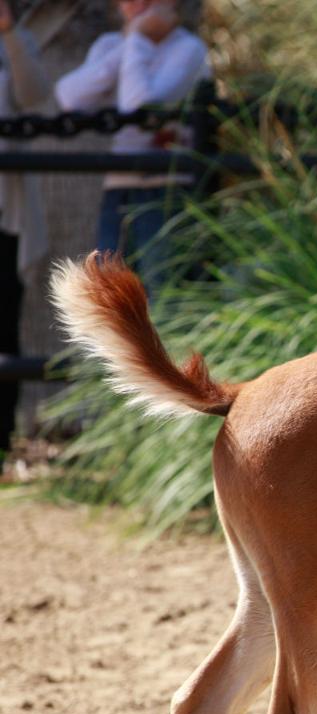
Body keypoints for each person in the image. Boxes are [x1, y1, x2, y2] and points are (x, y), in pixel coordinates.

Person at [55, 0, 209, 289]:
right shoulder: (110, 44)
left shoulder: (188, 49)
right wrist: (130, 41)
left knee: (161, 288)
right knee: (109, 290)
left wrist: (136, 37)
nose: (136, 4)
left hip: (167, 189)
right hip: (118, 187)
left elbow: (138, 107)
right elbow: (69, 96)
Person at [0, 0, 52, 456]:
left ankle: (1, 433)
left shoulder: (18, 42)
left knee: (4, 317)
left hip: (5, 209)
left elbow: (33, 94)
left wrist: (9, 33)